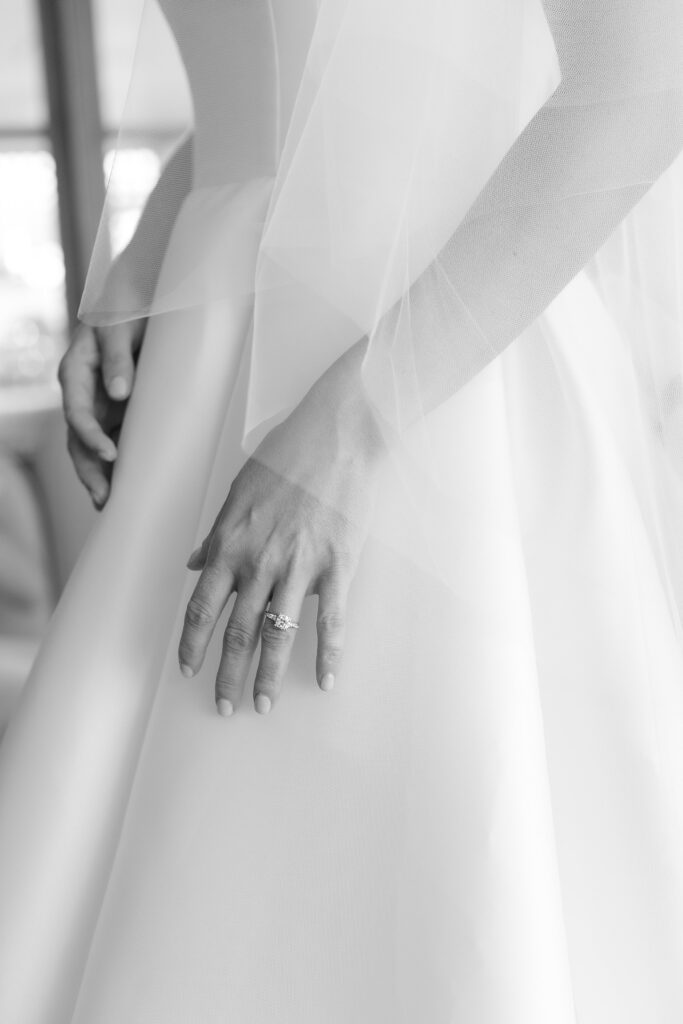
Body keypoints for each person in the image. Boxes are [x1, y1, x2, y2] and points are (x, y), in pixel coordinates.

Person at [1, 1, 682, 1021]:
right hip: (209, 370)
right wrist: (146, 256)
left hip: (435, 372)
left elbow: (643, 82)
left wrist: (362, 417)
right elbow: (318, 82)